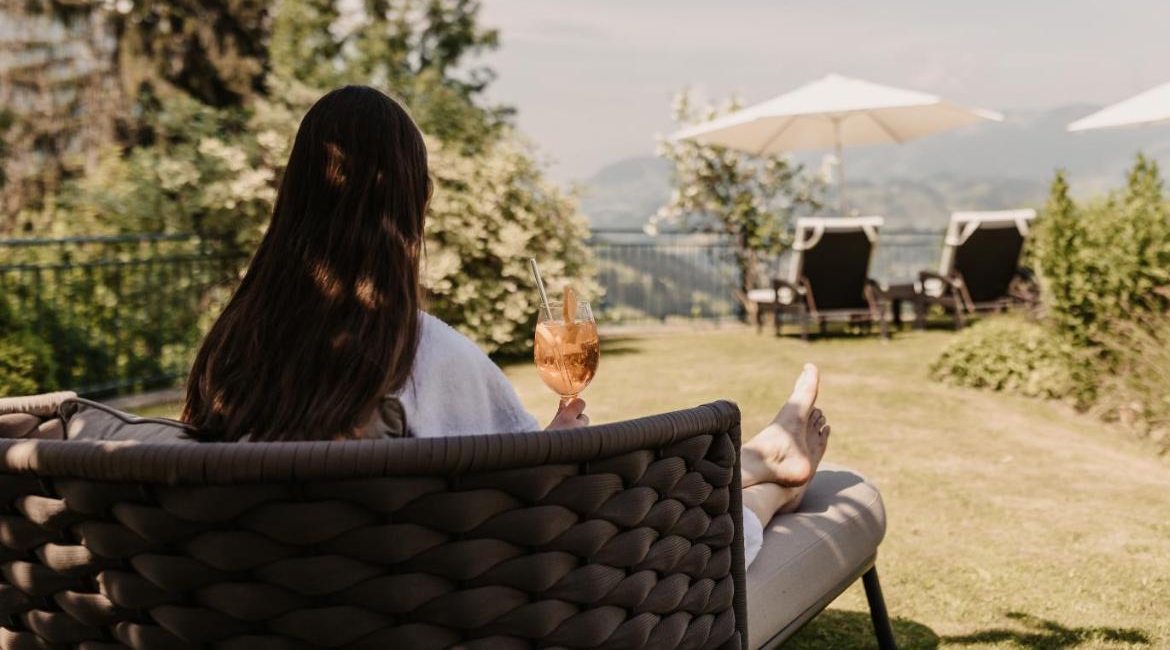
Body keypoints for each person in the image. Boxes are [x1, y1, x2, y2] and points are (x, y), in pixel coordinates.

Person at [183, 85, 830, 565]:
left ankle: (759, 458)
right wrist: (551, 441)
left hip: (287, 600)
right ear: (412, 205)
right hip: (465, 601)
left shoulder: (228, 352)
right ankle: (770, 490)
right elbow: (547, 492)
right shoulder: (417, 353)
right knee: (663, 517)